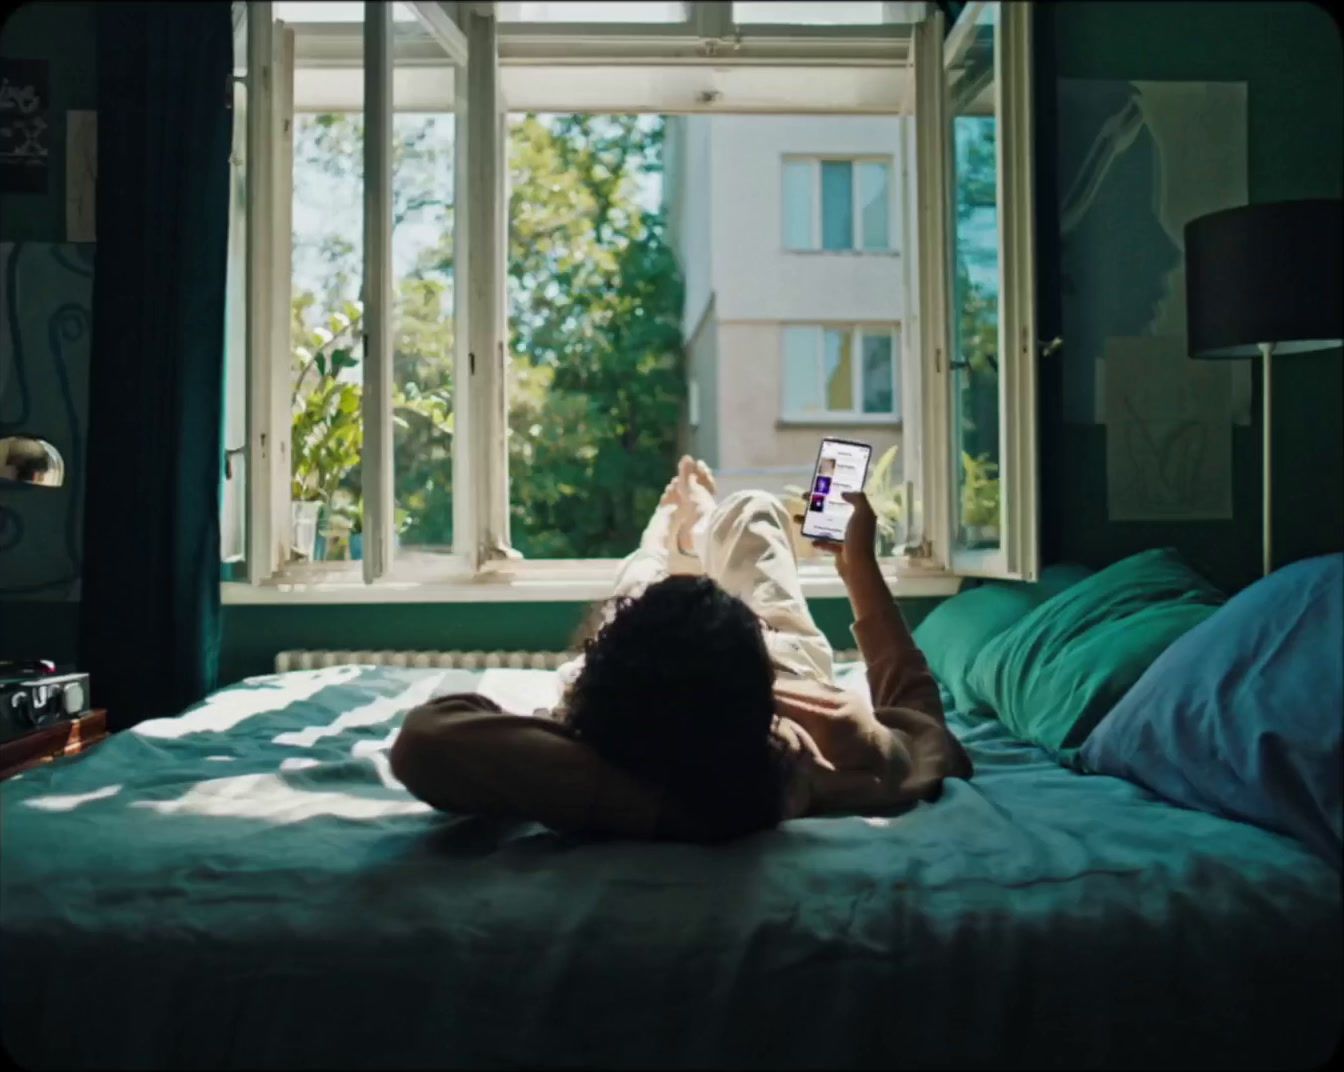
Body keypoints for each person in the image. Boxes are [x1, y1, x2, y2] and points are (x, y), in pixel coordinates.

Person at [390, 456, 972, 842]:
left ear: (599, 677)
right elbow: (927, 730)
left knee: (637, 591)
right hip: (767, 678)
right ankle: (697, 529)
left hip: (658, 698)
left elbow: (426, 741)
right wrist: (857, 565)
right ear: (763, 690)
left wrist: (640, 801)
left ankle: (668, 531)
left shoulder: (591, 747)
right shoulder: (822, 738)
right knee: (753, 511)